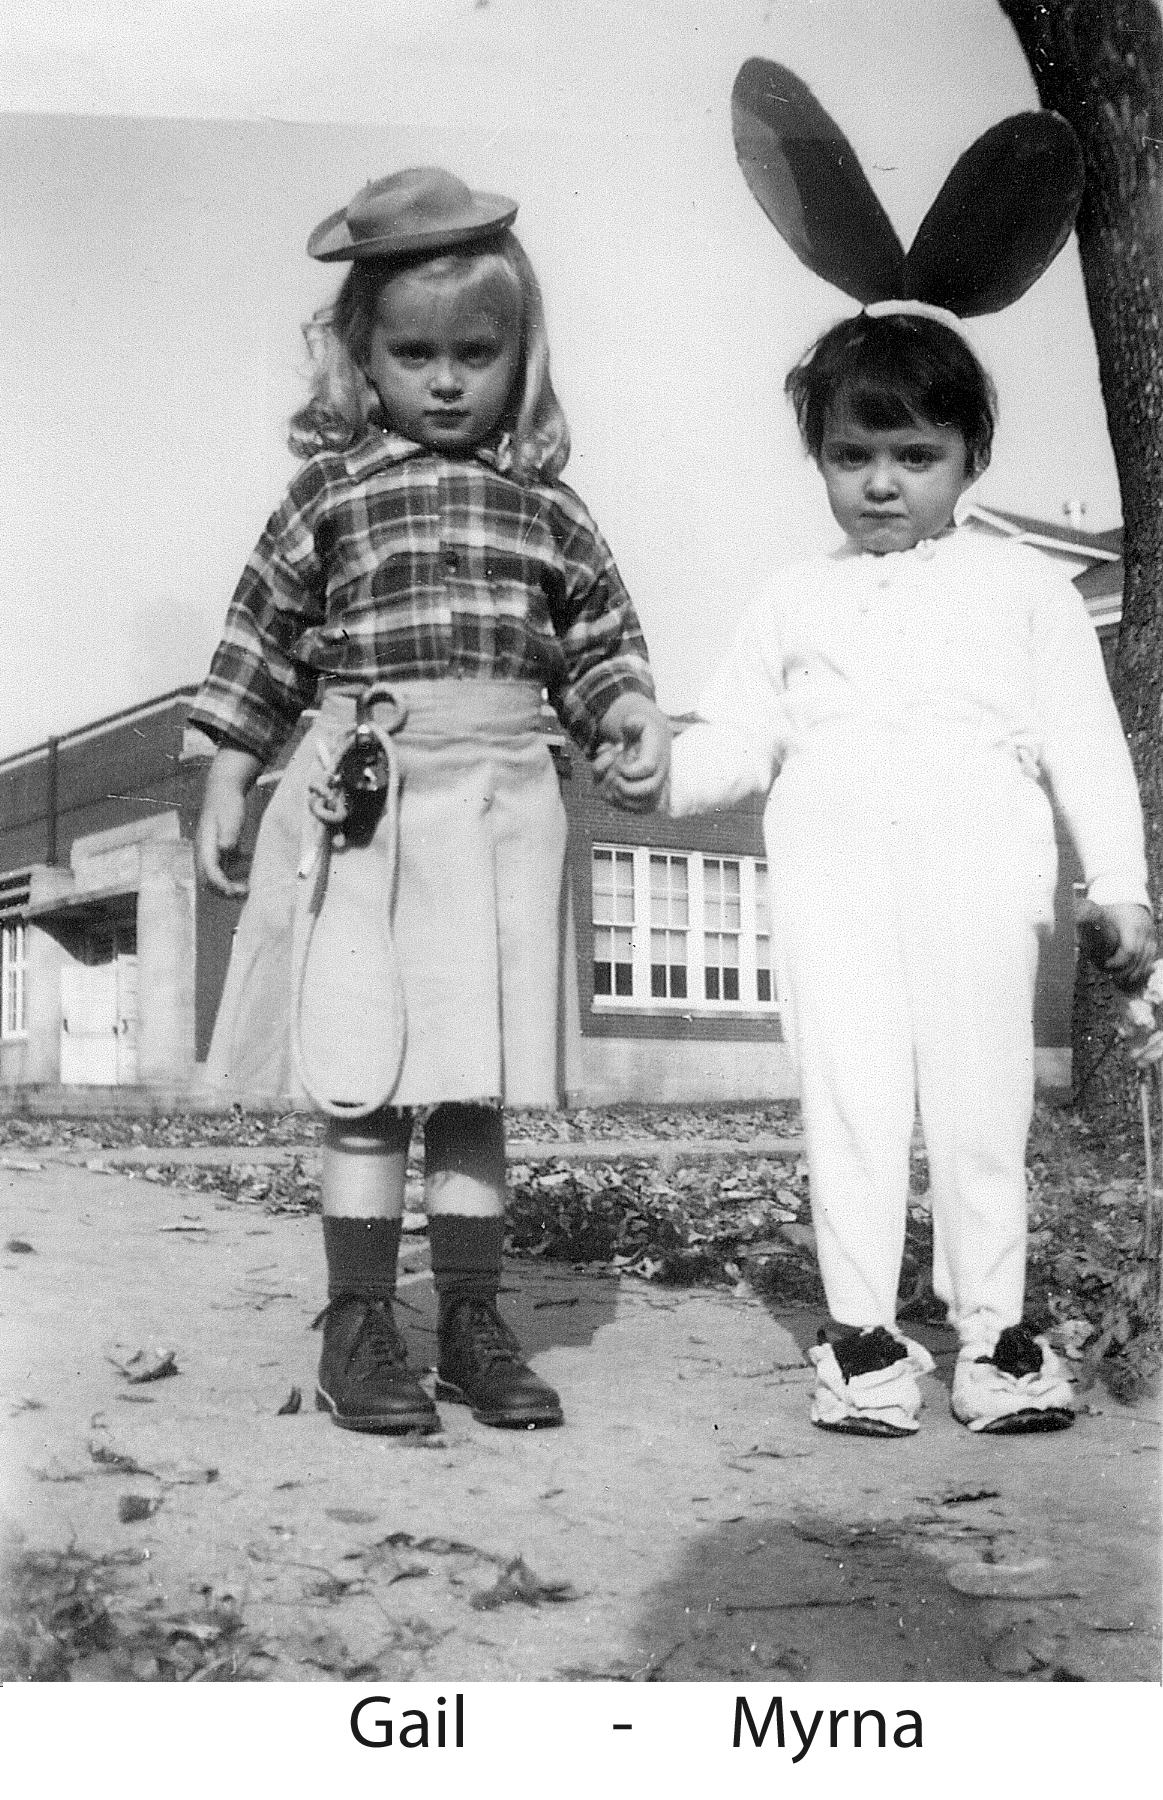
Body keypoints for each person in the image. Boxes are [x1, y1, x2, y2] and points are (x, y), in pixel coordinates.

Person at [190, 167, 670, 1437]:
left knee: (467, 1082)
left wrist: (625, 714)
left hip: (503, 801)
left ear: (523, 357)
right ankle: (359, 1324)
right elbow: (261, 641)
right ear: (362, 355)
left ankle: (467, 1317)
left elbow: (598, 644)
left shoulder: (550, 509)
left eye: (476, 353)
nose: (446, 380)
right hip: (367, 806)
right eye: (414, 354)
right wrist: (231, 770)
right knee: (364, 1072)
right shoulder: (329, 497)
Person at [662, 307, 1155, 1436]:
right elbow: (737, 737)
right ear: (819, 460)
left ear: (969, 460)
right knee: (851, 1100)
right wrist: (654, 772)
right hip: (832, 881)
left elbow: (1080, 739)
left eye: (913, 456)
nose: (880, 483)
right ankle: (863, 1337)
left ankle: (993, 1334)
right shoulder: (793, 596)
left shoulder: (1022, 587)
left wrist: (1117, 881)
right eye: (851, 456)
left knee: (981, 1109)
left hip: (979, 875)